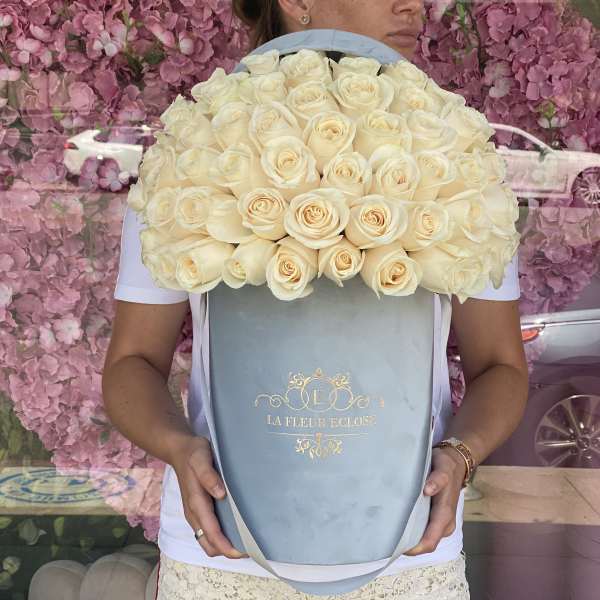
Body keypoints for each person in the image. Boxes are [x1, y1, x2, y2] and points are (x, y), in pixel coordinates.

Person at [101, 1, 529, 598]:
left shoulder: (451, 159)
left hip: (408, 554)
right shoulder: (198, 154)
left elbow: (501, 365)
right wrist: (178, 448)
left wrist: (461, 453)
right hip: (224, 553)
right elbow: (132, 362)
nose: (413, 5)